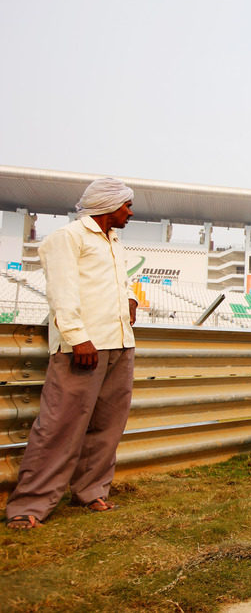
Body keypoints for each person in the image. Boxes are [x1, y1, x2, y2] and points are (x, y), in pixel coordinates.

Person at [5, 178, 139, 530]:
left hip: (120, 344)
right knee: (59, 426)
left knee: (107, 426)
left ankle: (92, 490)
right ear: (108, 206)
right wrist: (78, 338)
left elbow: (121, 281)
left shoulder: (113, 241)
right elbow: (61, 292)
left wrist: (132, 299)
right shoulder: (67, 238)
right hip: (83, 348)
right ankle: (29, 505)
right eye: (126, 205)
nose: (130, 212)